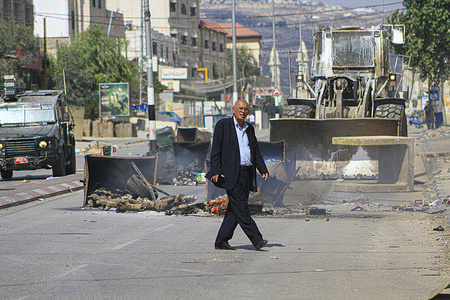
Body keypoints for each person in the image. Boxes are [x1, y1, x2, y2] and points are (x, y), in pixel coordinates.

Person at [206, 100, 269, 251]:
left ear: (248, 112)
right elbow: (215, 150)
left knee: (234, 209)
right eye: (240, 108)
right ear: (234, 110)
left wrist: (262, 168)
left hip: (246, 173)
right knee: (241, 207)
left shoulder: (249, 129)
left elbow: (255, 150)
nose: (242, 111)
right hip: (230, 174)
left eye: (246, 109)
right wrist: (215, 170)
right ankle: (256, 239)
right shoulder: (223, 125)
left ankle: (221, 241)